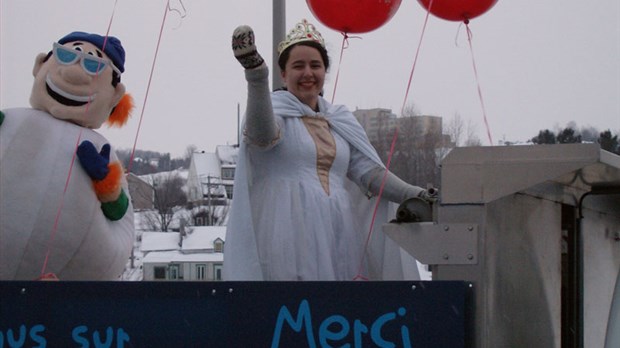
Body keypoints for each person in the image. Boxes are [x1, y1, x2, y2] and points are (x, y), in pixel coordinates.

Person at [224, 19, 437, 281]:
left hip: (337, 226)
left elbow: (369, 173)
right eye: (298, 66)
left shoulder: (339, 119)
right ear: (283, 74)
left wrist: (416, 194)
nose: (308, 73)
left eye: (316, 65)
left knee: (335, 307)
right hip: (287, 227)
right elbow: (261, 135)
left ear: (325, 71)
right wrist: (257, 76)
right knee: (290, 307)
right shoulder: (274, 111)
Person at [0, 32, 134, 280]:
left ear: (115, 96)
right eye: (66, 56)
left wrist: (106, 182)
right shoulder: (8, 120)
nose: (74, 74)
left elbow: (118, 211)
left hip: (62, 288)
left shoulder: (98, 148)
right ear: (41, 64)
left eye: (93, 65)